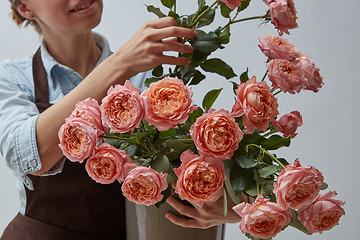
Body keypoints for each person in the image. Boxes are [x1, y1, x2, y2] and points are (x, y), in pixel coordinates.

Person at [0, 0, 241, 239]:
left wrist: (231, 208)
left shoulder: (150, 79)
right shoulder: (13, 78)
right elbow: (26, 155)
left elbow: (194, 173)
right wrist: (119, 64)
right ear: (25, 8)